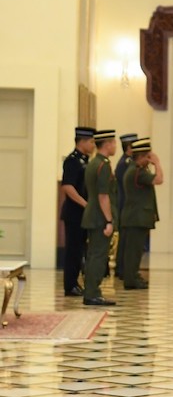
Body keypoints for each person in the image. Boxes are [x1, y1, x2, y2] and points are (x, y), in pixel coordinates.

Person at [81, 129, 119, 306]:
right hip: (99, 217)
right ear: (108, 144)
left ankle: (91, 291)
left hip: (93, 214)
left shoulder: (94, 162)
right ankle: (92, 293)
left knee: (94, 255)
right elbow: (103, 196)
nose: (115, 146)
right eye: (114, 143)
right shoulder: (103, 165)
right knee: (98, 255)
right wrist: (109, 220)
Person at [119, 138, 163, 290]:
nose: (149, 159)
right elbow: (159, 180)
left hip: (136, 217)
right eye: (148, 156)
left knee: (136, 250)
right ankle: (130, 280)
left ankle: (133, 275)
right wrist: (157, 163)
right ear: (142, 156)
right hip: (135, 217)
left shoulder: (136, 170)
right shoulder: (137, 172)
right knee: (133, 251)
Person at [61, 126, 95, 297]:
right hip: (74, 213)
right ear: (81, 141)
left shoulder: (86, 160)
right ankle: (70, 285)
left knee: (81, 249)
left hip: (83, 213)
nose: (93, 145)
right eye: (91, 142)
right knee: (73, 250)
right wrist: (85, 204)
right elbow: (67, 187)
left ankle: (76, 282)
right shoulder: (72, 161)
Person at [114, 133, 137, 278]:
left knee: (127, 238)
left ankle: (123, 268)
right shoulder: (125, 164)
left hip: (126, 204)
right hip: (124, 204)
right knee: (125, 239)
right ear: (129, 147)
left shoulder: (127, 162)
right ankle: (121, 269)